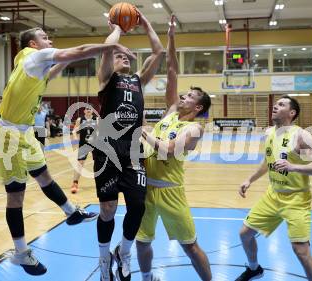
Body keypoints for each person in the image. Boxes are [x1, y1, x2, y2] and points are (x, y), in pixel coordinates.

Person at [0, 27, 135, 276]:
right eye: (45, 37)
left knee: (44, 176)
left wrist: (98, 51)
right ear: (33, 44)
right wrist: (110, 46)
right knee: (16, 197)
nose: (50, 40)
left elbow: (55, 70)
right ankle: (21, 254)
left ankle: (70, 212)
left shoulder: (31, 64)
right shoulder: (33, 56)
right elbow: (76, 52)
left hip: (24, 133)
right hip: (8, 135)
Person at [136, 15, 212, 281]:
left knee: (189, 245)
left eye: (189, 97)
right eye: (184, 94)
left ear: (198, 107)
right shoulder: (170, 112)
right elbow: (171, 70)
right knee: (142, 241)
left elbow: (168, 150)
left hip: (171, 193)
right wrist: (170, 36)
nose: (183, 96)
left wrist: (144, 133)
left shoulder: (194, 129)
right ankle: (147, 278)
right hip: (146, 187)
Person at [94, 9, 163, 281]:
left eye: (125, 55)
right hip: (107, 149)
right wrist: (117, 28)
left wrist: (144, 23)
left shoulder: (138, 81)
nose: (122, 56)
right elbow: (108, 49)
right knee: (108, 209)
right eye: (118, 54)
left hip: (133, 151)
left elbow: (157, 53)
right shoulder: (107, 80)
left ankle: (124, 251)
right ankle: (102, 258)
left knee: (137, 206)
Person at [235, 96, 312, 281]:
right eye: (276, 103)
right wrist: (249, 179)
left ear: (292, 113)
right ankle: (254, 269)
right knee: (245, 234)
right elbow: (267, 162)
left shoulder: (301, 136)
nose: (275, 106)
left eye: (281, 104)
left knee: (301, 251)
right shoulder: (269, 132)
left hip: (296, 199)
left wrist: (294, 166)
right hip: (273, 195)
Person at [71, 106, 98, 194]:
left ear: (92, 111)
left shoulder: (96, 119)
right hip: (84, 144)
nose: (88, 110)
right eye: (87, 109)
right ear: (84, 111)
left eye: (90, 109)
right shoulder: (80, 119)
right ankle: (75, 183)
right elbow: (74, 131)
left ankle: (100, 183)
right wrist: (75, 138)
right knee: (80, 164)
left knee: (98, 163)